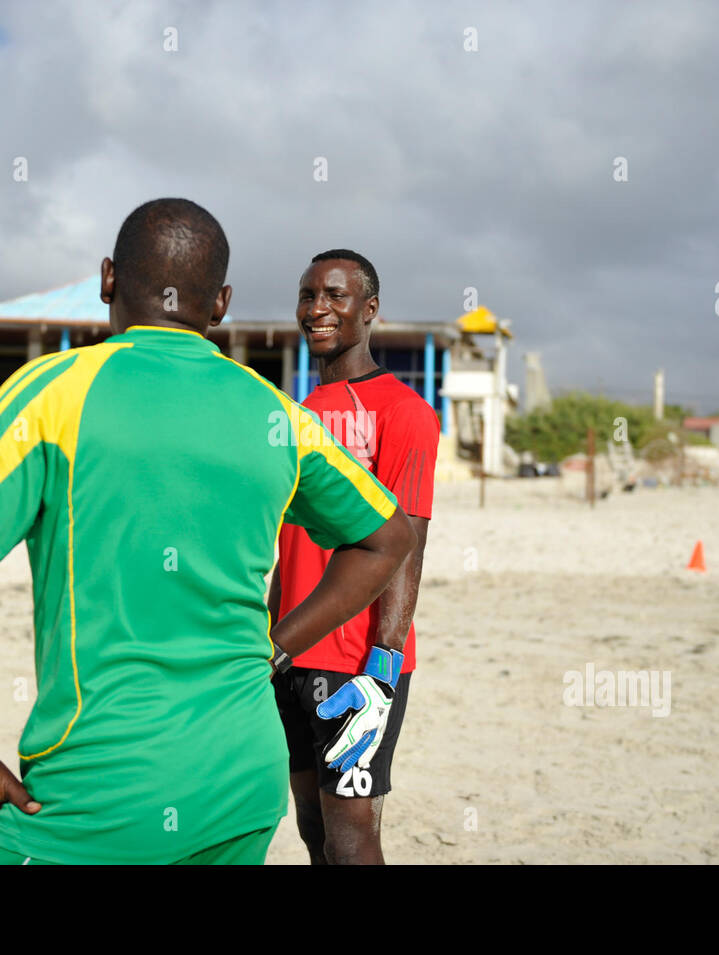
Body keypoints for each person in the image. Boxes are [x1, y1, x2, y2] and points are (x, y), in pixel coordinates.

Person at [0, 201, 414, 865]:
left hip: (100, 791)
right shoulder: (275, 413)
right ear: (221, 303)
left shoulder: (52, 393)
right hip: (244, 779)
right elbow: (385, 538)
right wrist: (275, 646)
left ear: (107, 279)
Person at [269, 249, 439, 865]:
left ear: (369, 311)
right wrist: (268, 641)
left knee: (351, 832)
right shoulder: (297, 417)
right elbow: (289, 552)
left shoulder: (405, 412)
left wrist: (383, 668)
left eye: (335, 296)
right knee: (311, 823)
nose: (317, 309)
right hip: (287, 651)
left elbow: (407, 543)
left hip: (357, 666)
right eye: (308, 294)